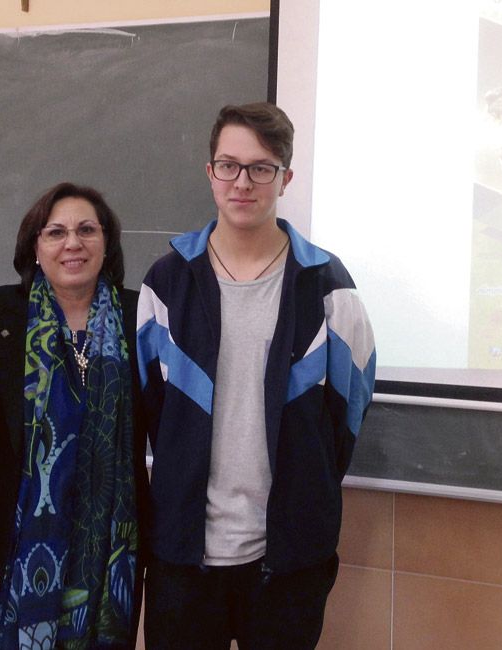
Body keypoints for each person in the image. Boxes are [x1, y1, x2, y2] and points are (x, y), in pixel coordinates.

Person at [136, 102, 376, 649]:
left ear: (285, 178)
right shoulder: (167, 282)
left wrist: (304, 485)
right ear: (210, 173)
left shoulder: (327, 286)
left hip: (289, 557)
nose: (242, 182)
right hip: (182, 553)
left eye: (261, 168)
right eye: (229, 165)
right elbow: (151, 409)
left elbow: (349, 412)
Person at [0, 183, 143, 650]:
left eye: (87, 230)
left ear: (107, 242)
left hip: (109, 547)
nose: (73, 243)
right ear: (34, 245)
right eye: (56, 232)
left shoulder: (139, 317)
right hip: (7, 544)